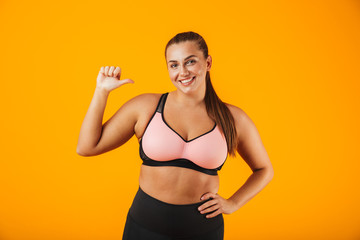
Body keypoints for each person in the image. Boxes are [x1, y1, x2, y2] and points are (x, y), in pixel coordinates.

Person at [76, 31, 274, 240]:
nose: (182, 72)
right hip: (144, 227)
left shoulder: (234, 118)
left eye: (190, 62)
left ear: (207, 63)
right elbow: (87, 147)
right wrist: (101, 91)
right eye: (174, 65)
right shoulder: (146, 107)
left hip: (203, 231)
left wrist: (233, 203)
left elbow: (264, 170)